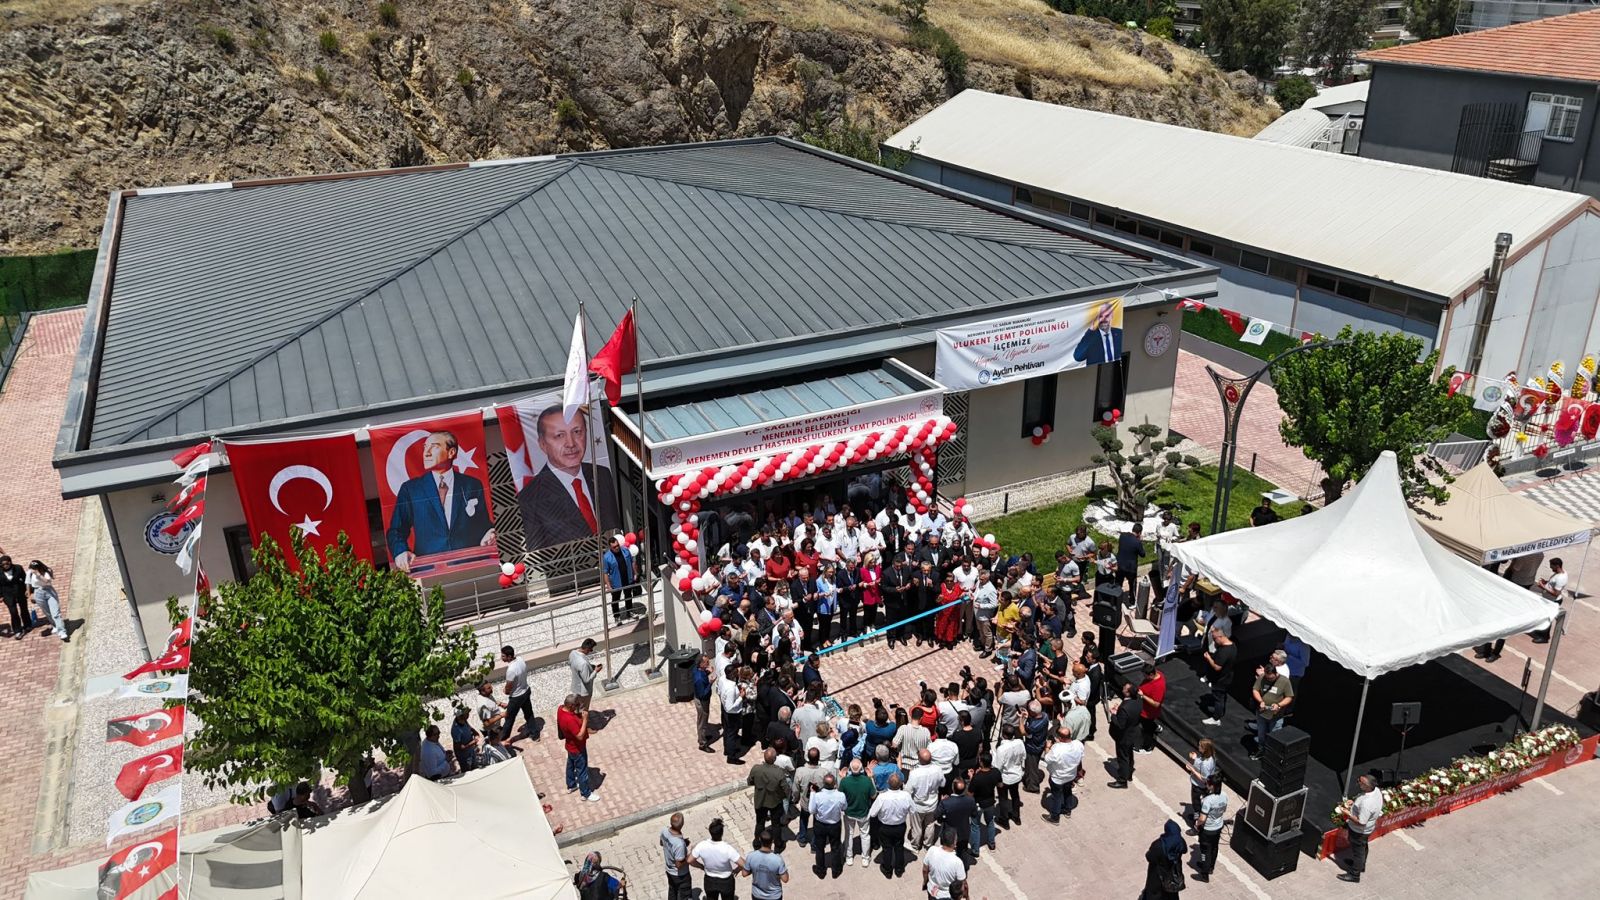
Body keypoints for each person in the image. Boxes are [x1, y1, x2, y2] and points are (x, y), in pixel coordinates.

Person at [385, 431, 495, 571]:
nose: (426, 453)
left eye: (434, 447)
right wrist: (400, 551)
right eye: (425, 447)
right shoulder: (411, 489)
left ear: (451, 452)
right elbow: (396, 530)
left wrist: (489, 533)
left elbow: (482, 524)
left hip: (470, 565)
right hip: (429, 569)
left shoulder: (472, 484)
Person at [517, 405, 620, 550]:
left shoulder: (602, 474)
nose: (571, 443)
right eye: (559, 435)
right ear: (542, 444)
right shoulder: (529, 499)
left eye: (577, 432)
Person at [1340, 774, 1384, 883]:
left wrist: (1347, 813)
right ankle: (1360, 865)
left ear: (1367, 786)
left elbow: (1361, 822)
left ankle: (1355, 875)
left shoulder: (1367, 804)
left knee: (1358, 852)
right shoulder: (1376, 791)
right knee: (1362, 847)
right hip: (1367, 830)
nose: (1358, 782)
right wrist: (1354, 803)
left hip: (1359, 831)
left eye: (1360, 782)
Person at [869, 772, 913, 878]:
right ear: (901, 783)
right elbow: (913, 811)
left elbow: (872, 813)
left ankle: (887, 870)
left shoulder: (882, 797)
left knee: (887, 848)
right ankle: (899, 869)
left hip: (885, 827)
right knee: (899, 847)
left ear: (888, 783)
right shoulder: (906, 796)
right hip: (900, 826)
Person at [558, 694, 600, 802]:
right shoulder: (570, 720)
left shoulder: (560, 710)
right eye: (576, 705)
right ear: (571, 706)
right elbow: (580, 736)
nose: (578, 708)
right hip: (578, 748)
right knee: (582, 771)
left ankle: (571, 785)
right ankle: (586, 793)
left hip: (569, 746)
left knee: (570, 765)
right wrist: (585, 719)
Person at [691, 817, 744, 900]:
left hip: (709, 880)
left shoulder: (702, 845)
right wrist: (737, 870)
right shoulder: (727, 848)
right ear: (722, 833)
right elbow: (743, 864)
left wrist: (701, 866)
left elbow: (690, 860)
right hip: (726, 881)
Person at [749, 748, 791, 852]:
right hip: (775, 802)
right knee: (776, 824)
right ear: (775, 759)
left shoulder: (756, 769)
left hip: (760, 800)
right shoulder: (779, 772)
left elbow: (750, 781)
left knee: (759, 823)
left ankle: (757, 843)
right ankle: (778, 845)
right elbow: (786, 789)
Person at [1041, 725, 1083, 823]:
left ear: (1059, 738)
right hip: (1071, 775)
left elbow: (1047, 759)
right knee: (1068, 792)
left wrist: (1047, 747)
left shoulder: (1057, 749)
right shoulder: (1078, 744)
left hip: (1058, 778)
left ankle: (1055, 817)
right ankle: (1068, 810)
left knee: (1057, 796)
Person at [839, 758, 877, 868]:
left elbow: (840, 796)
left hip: (849, 813)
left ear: (850, 769)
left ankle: (849, 857)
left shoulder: (845, 781)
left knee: (848, 835)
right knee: (865, 835)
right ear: (861, 769)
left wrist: (842, 779)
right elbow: (873, 796)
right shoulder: (867, 781)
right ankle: (865, 858)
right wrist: (871, 778)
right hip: (863, 813)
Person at [905, 749, 945, 852]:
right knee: (930, 825)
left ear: (919, 759)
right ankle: (928, 845)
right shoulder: (938, 769)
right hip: (932, 804)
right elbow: (943, 784)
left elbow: (908, 791)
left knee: (917, 827)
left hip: (918, 806)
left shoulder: (915, 773)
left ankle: (915, 845)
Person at [808, 772, 846, 878]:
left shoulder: (817, 796)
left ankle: (820, 871)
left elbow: (811, 810)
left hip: (820, 825)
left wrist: (812, 793)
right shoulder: (841, 795)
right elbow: (844, 807)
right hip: (835, 825)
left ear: (823, 784)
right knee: (835, 847)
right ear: (835, 784)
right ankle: (836, 870)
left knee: (820, 848)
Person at [1250, 667, 1293, 759]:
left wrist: (1279, 704)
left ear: (1276, 674)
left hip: (1276, 715)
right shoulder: (1262, 677)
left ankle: (1272, 755)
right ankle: (1261, 750)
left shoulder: (1284, 681)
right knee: (1261, 734)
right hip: (1262, 713)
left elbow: (1289, 697)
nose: (1269, 680)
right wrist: (1260, 701)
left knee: (1274, 736)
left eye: (1271, 678)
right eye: (1267, 678)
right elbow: (1255, 690)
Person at [500, 645, 537, 743]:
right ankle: (535, 734)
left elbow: (509, 686)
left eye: (503, 656)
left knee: (509, 718)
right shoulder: (520, 659)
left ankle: (502, 739)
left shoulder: (511, 670)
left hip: (516, 697)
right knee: (529, 714)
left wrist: (505, 691)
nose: (501, 658)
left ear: (509, 657)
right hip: (526, 691)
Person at [1194, 775, 1227, 883]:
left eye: (1208, 783)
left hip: (1208, 829)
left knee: (1205, 851)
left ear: (1212, 786)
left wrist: (1197, 824)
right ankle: (1210, 867)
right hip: (1218, 827)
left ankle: (1204, 874)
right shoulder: (1224, 795)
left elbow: (1202, 818)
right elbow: (1224, 810)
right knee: (1214, 847)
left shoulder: (1208, 800)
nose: (1206, 785)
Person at [1199, 625, 1235, 726]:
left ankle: (1216, 718)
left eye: (1215, 639)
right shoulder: (1232, 646)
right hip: (1227, 677)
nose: (1214, 641)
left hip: (1221, 680)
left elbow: (1217, 667)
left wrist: (1209, 658)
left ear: (1220, 637)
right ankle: (1219, 712)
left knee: (1218, 698)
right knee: (1221, 696)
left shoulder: (1225, 652)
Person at [936, 778, 978, 864]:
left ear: (953, 788)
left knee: (947, 853)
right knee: (962, 853)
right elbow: (974, 814)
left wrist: (942, 802)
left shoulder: (946, 802)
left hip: (949, 833)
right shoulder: (970, 800)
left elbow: (937, 815)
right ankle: (963, 868)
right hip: (963, 832)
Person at [1108, 681, 1141, 788]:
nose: (1123, 688)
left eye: (1125, 688)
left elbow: (1120, 725)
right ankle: (1129, 773)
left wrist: (1113, 714)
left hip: (1124, 736)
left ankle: (1122, 780)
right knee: (1129, 754)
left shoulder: (1125, 708)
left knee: (1123, 757)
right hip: (1132, 733)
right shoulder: (1138, 700)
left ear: (1127, 693)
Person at [792, 748, 827, 848]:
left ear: (807, 757)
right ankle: (815, 844)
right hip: (818, 803)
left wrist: (795, 798)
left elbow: (795, 788)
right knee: (817, 822)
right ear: (818, 758)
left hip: (805, 801)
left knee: (803, 819)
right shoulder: (824, 772)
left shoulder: (800, 771)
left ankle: (802, 838)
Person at [1142, 820, 1187, 899]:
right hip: (1173, 872)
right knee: (1171, 893)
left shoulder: (1159, 845)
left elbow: (1149, 857)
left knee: (1154, 893)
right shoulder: (1180, 841)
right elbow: (1184, 850)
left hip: (1157, 874)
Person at [967, 752, 1001, 856]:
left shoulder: (977, 778)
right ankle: (992, 844)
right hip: (990, 803)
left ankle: (975, 851)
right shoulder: (996, 772)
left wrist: (971, 777)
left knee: (975, 826)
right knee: (990, 822)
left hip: (978, 804)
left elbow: (970, 794)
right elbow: (1000, 785)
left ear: (981, 762)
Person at [921, 827, 968, 900]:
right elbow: (963, 884)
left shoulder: (932, 850)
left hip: (932, 891)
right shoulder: (958, 862)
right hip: (947, 896)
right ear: (954, 843)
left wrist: (925, 882)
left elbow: (925, 870)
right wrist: (967, 897)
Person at [26, 561, 68, 641]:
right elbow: (28, 584)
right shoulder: (29, 573)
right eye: (31, 568)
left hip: (49, 591)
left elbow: (48, 582)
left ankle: (62, 631)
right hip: (38, 592)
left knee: (55, 613)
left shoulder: (46, 572)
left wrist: (39, 575)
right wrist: (30, 595)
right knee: (47, 612)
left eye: (35, 568)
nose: (33, 570)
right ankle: (55, 625)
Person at [602, 536, 641, 622]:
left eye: (617, 545)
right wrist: (608, 585)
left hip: (627, 578)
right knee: (615, 599)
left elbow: (632, 562)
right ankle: (616, 616)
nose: (617, 548)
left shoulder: (625, 551)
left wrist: (635, 573)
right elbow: (605, 572)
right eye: (614, 547)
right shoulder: (607, 557)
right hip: (616, 582)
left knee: (628, 596)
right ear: (610, 547)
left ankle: (630, 611)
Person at [992, 725, 1025, 825]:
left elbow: (997, 767)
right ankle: (1016, 817)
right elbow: (1024, 756)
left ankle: (1004, 819)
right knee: (1015, 795)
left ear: (1003, 735)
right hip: (1017, 775)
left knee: (1003, 798)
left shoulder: (1001, 749)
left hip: (1005, 778)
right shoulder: (1020, 742)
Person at [1072, 301, 1123, 365]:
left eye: (1107, 316)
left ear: (1112, 316)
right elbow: (1078, 357)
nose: (1104, 319)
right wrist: (1090, 332)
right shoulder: (1091, 337)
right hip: (1097, 370)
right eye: (1101, 316)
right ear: (1097, 318)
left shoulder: (1119, 333)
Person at [1531, 557, 1568, 643]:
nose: (1551, 568)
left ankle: (1544, 637)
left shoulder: (1560, 578)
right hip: (1548, 599)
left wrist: (1543, 586)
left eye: (1552, 567)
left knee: (1547, 619)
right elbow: (1553, 584)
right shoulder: (1560, 573)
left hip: (1553, 601)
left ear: (1557, 566)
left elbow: (1556, 593)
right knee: (1543, 616)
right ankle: (1541, 631)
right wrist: (1546, 582)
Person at [745, 830, 790, 900]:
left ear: (759, 840)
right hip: (774, 896)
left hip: (757, 895)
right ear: (772, 841)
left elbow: (744, 873)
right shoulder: (778, 859)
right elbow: (785, 879)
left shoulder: (751, 856)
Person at [1185, 739, 1219, 823]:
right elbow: (1201, 762)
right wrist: (1195, 758)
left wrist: (1192, 769)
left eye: (1200, 746)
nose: (1198, 747)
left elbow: (1203, 778)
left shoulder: (1206, 764)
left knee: (1196, 803)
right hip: (1204, 786)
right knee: (1201, 802)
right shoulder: (1211, 757)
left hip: (1199, 786)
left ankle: (1197, 822)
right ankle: (1198, 816)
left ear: (1205, 749)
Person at [661, 813, 692, 900]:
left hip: (669, 870)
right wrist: (690, 855)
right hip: (680, 875)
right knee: (684, 895)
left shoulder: (664, 830)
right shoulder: (679, 844)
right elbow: (679, 865)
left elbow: (662, 843)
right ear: (682, 824)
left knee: (672, 891)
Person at [1137, 663, 1166, 753]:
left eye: (1145, 676)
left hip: (1148, 713)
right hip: (1143, 708)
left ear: (1151, 674)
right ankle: (1156, 727)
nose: (1144, 678)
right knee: (1148, 724)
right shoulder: (1157, 673)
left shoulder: (1159, 686)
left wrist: (1143, 696)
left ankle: (1148, 747)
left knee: (1147, 730)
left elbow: (1156, 704)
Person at [569, 638, 601, 713]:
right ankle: (582, 720)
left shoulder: (572, 653)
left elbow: (573, 666)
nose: (591, 651)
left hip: (575, 687)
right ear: (587, 649)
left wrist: (589, 668)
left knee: (576, 707)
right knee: (583, 710)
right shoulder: (583, 663)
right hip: (584, 691)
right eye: (591, 650)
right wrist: (596, 671)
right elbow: (586, 680)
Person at [0, 556, 28, 639]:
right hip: (7, 595)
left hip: (20, 592)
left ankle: (27, 625)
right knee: (13, 612)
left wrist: (28, 590)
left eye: (7, 563)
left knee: (24, 609)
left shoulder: (18, 568)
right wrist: (0, 596)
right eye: (3, 564)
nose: (5, 565)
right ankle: (18, 630)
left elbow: (25, 579)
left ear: (10, 562)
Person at [693, 653, 716, 753]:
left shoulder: (698, 670)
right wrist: (710, 683)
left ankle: (703, 736)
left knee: (703, 720)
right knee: (702, 722)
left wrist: (707, 672)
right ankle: (702, 743)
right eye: (706, 662)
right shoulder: (699, 679)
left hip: (701, 699)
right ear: (701, 664)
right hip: (702, 701)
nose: (709, 663)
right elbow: (702, 694)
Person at [1117, 524, 1145, 598]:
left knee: (1118, 583)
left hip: (1120, 565)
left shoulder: (1122, 536)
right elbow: (1142, 554)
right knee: (1132, 585)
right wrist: (1140, 541)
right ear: (1139, 533)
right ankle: (1132, 600)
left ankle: (1117, 599)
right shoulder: (1137, 542)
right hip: (1131, 568)